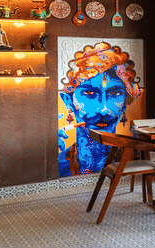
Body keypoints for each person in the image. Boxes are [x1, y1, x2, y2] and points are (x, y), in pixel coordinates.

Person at [58, 42, 142, 176]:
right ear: (69, 101)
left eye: (115, 94)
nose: (103, 109)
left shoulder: (135, 161)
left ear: (126, 102)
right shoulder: (60, 165)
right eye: (89, 94)